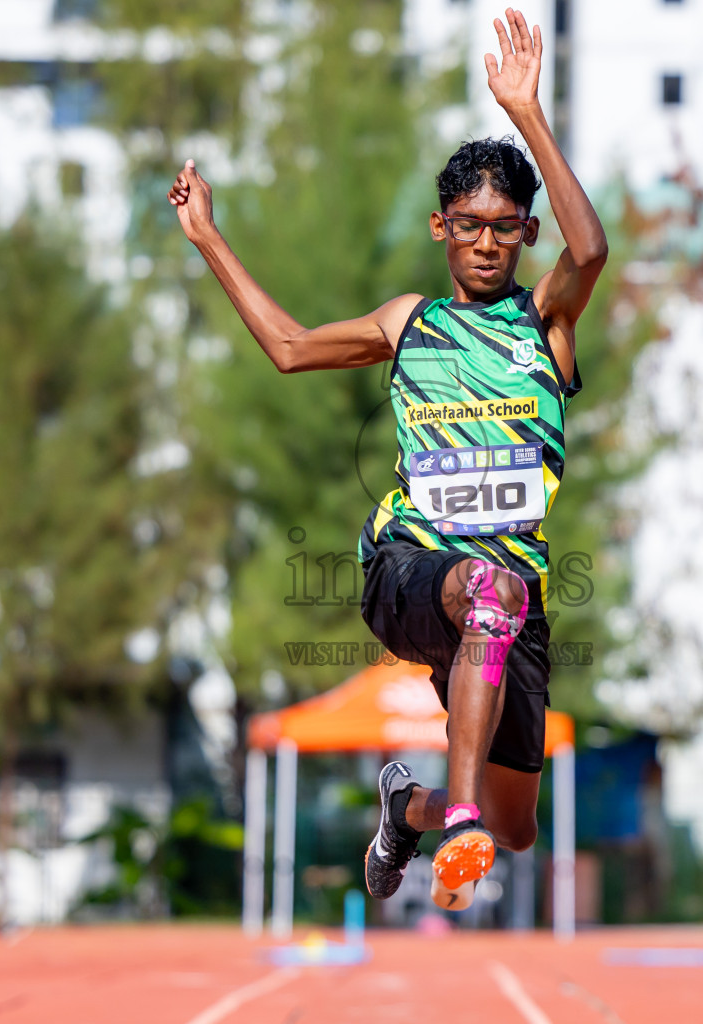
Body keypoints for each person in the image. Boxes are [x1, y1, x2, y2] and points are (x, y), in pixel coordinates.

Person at [167, 9, 606, 910]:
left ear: (526, 234)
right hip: (408, 570)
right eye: (470, 225)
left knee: (518, 823)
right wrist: (211, 238)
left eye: (506, 227)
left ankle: (411, 808)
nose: (488, 242)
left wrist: (527, 113)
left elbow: (591, 248)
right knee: (487, 592)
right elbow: (288, 347)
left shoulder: (544, 325)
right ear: (443, 228)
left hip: (510, 600)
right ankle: (456, 826)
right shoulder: (409, 324)